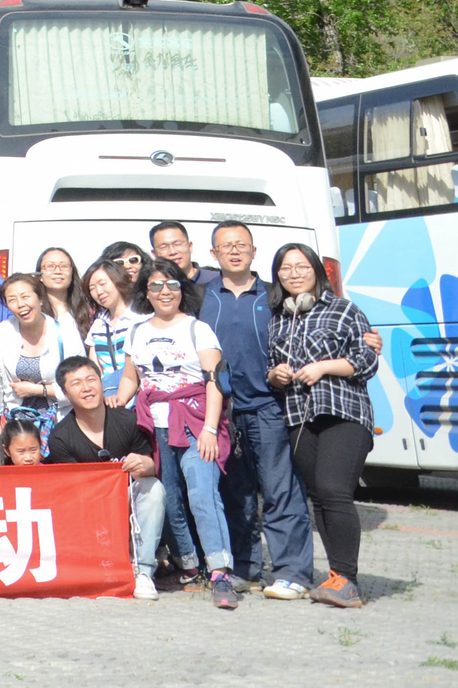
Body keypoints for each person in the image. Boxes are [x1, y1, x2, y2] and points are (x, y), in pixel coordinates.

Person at [205, 223, 313, 600]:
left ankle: (292, 572)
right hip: (221, 410)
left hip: (269, 406)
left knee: (280, 491)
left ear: (254, 251)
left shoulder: (273, 294)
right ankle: (245, 568)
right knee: (237, 495)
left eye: (242, 245)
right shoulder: (202, 295)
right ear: (213, 254)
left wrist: (364, 338)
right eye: (226, 246)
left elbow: (317, 316)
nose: (235, 251)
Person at [268, 242, 377, 609]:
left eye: (302, 266)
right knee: (319, 495)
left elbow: (367, 360)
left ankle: (348, 579)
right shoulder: (278, 319)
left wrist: (323, 367)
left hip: (344, 412)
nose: (294, 273)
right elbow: (269, 367)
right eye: (286, 268)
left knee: (334, 489)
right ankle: (336, 575)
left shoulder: (344, 310)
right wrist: (276, 374)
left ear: (316, 270)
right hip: (299, 416)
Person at [130, 259, 238, 608]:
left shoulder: (198, 329)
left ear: (182, 289)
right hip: (155, 427)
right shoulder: (137, 331)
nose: (165, 292)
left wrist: (210, 429)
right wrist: (113, 399)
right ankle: (189, 566)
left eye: (172, 284)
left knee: (203, 495)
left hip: (195, 425)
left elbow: (215, 382)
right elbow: (132, 377)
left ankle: (220, 572)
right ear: (146, 292)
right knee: (171, 499)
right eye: (156, 285)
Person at [44, 354, 165, 600]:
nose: (86, 388)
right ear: (65, 394)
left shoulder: (129, 420)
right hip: (90, 509)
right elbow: (72, 491)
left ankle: (144, 571)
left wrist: (146, 465)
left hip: (130, 502)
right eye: (76, 383)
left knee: (153, 488)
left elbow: (151, 465)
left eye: (91, 379)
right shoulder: (60, 437)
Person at [0, 271, 83, 443]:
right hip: (18, 428)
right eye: (12, 300)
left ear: (40, 299)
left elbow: (79, 384)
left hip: (60, 424)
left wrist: (39, 390)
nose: (20, 304)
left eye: (25, 296)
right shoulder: (3, 332)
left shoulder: (66, 332)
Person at [82, 259, 145, 409]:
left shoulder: (141, 319)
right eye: (92, 288)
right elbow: (96, 370)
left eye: (103, 284)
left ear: (118, 280)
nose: (99, 292)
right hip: (111, 402)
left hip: (140, 400)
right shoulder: (98, 325)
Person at [38, 247, 93, 334]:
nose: (58, 271)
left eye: (64, 266)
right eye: (50, 266)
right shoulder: (35, 312)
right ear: (40, 275)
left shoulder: (89, 311)